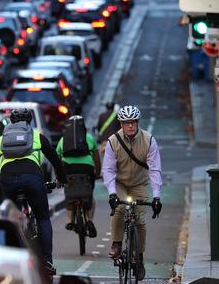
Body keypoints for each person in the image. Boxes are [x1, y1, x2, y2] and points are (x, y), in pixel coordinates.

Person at [0, 108, 66, 276]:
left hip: (8, 180)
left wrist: (1, 190)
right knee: (42, 218)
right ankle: (47, 261)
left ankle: (10, 260)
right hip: (32, 179)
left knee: (11, 221)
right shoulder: (36, 137)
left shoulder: (1, 140)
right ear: (30, 122)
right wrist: (62, 178)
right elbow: (55, 159)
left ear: (11, 122)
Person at [102, 105, 163, 281]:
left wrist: (157, 196)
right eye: (126, 123)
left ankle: (140, 257)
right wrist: (112, 193)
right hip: (120, 183)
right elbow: (108, 170)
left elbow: (155, 169)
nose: (130, 126)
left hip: (138, 183)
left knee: (140, 220)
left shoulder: (149, 140)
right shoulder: (113, 141)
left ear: (138, 123)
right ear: (121, 124)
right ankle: (117, 243)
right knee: (120, 210)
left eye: (133, 122)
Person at [56, 115, 101, 238]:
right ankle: (90, 220)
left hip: (68, 169)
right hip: (86, 169)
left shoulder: (63, 139)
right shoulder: (89, 138)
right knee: (90, 195)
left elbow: (57, 159)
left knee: (69, 193)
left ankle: (70, 221)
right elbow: (96, 158)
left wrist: (59, 178)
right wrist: (97, 173)